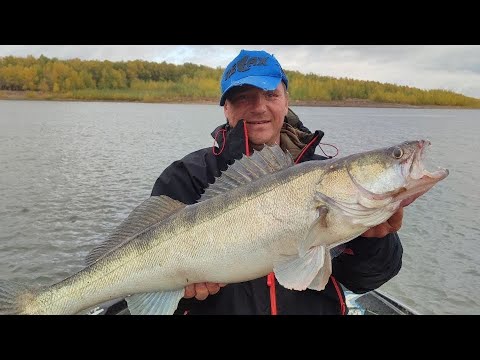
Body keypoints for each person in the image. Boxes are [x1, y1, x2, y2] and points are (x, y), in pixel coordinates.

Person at [150, 49, 404, 315]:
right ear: (226, 107)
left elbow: (365, 281)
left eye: (271, 94)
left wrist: (372, 240)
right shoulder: (186, 176)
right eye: (243, 97)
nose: (259, 107)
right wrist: (186, 294)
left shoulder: (326, 179)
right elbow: (153, 293)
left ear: (286, 101)